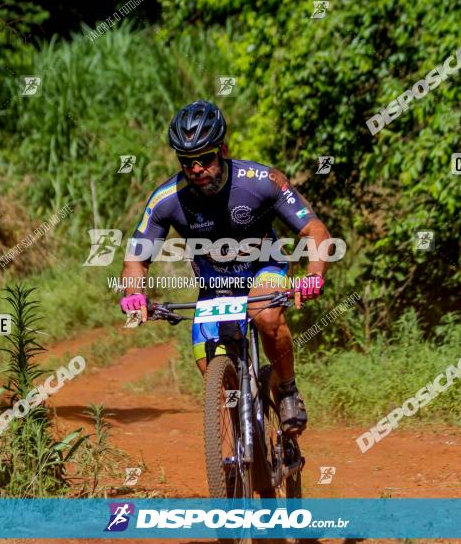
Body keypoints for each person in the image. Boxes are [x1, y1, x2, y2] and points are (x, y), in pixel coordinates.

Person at [119, 100, 332, 435]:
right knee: (216, 382)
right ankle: (243, 451)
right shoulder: (166, 199)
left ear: (224, 150)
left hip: (264, 267)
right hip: (215, 287)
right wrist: (134, 294)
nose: (196, 168)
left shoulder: (261, 181)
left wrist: (313, 275)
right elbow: (136, 258)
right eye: (187, 161)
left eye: (205, 158)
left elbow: (314, 230)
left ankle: (287, 389)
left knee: (266, 314)